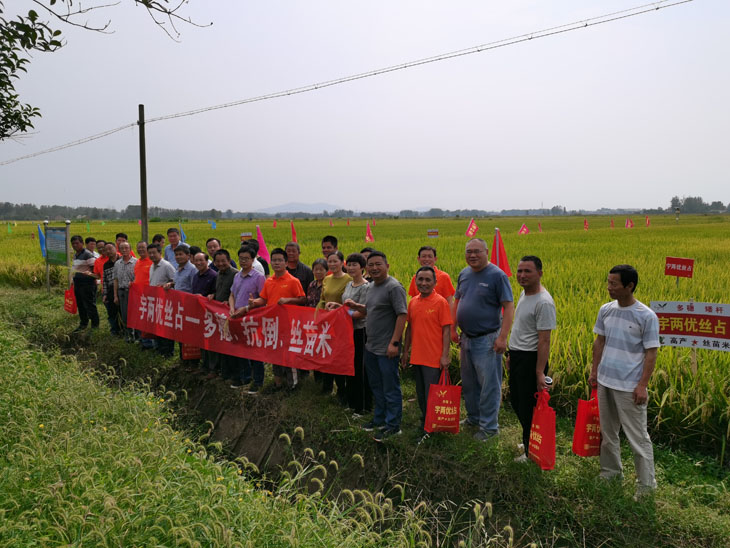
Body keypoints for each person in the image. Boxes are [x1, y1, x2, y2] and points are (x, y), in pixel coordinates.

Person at [589, 264, 659, 498]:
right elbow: (599, 342)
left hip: (629, 387)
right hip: (605, 381)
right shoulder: (606, 310)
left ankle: (646, 485)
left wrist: (642, 385)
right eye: (608, 282)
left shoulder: (646, 316)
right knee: (608, 433)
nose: (609, 287)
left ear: (629, 286)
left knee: (637, 437)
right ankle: (610, 472)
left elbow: (651, 353)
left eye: (614, 284)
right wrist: (594, 371)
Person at [452, 238, 514, 442]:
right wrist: (453, 327)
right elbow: (457, 300)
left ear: (486, 252)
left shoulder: (497, 275)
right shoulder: (464, 273)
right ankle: (474, 418)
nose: (472, 255)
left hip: (487, 339)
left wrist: (503, 337)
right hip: (466, 338)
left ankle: (489, 428)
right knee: (469, 382)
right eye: (469, 251)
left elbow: (508, 307)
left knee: (489, 385)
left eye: (477, 251)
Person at [345, 251, 407, 442]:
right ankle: (379, 418)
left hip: (387, 348)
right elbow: (370, 310)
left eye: (378, 264)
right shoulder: (371, 286)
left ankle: (393, 425)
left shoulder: (394, 287)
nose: (374, 268)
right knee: (376, 385)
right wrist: (356, 306)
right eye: (371, 265)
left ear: (387, 266)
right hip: (371, 346)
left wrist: (394, 343)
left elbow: (402, 315)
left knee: (390, 387)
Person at [507, 256, 556, 462]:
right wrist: (511, 354)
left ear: (540, 273)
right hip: (518, 355)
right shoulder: (524, 293)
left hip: (531, 359)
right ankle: (530, 438)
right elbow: (520, 328)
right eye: (519, 271)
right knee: (517, 401)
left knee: (528, 406)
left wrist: (539, 372)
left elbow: (544, 340)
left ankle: (531, 452)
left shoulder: (544, 302)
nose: (522, 275)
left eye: (528, 271)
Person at [401, 266, 452, 438]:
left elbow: (446, 330)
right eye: (420, 279)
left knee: (432, 395)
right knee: (421, 393)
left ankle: (432, 428)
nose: (423, 283)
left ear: (435, 282)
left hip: (433, 358)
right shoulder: (413, 302)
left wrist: (445, 356)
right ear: (415, 281)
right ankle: (425, 422)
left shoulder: (440, 302)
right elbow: (409, 328)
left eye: (428, 280)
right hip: (417, 356)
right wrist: (405, 352)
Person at [247, 247, 306, 390]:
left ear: (286, 263)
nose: (276, 263)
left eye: (280, 260)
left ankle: (293, 385)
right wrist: (254, 302)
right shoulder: (269, 281)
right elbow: (264, 299)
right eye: (274, 260)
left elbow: (302, 299)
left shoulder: (293, 281)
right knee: (275, 353)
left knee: (289, 354)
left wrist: (288, 300)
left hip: (289, 324)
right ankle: (278, 383)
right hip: (273, 324)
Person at [326, 253, 370, 414]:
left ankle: (363, 407)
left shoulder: (366, 287)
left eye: (354, 265)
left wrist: (343, 312)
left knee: (359, 368)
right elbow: (347, 308)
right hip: (347, 331)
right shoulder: (349, 285)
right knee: (349, 366)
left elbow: (362, 313)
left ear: (362, 267)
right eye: (349, 265)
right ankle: (352, 403)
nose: (351, 268)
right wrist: (337, 306)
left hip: (360, 331)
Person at [228, 246, 266, 392]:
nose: (243, 261)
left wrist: (247, 307)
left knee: (255, 350)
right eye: (241, 258)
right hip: (237, 317)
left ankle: (258, 381)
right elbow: (232, 295)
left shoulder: (259, 277)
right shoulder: (237, 276)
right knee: (240, 349)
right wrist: (232, 308)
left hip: (251, 318)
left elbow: (263, 299)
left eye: (246, 259)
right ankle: (245, 377)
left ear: (252, 259)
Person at [317, 251, 352, 399]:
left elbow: (349, 303)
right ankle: (327, 387)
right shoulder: (326, 279)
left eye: (335, 261)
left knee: (339, 356)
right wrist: (319, 315)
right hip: (327, 323)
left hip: (342, 324)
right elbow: (322, 299)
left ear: (342, 263)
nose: (332, 264)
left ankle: (342, 390)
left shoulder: (349, 280)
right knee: (327, 354)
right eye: (329, 261)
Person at [205, 249, 238, 380]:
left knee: (228, 346)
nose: (220, 264)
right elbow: (219, 291)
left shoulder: (235, 275)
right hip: (218, 315)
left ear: (229, 260)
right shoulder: (218, 274)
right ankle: (218, 371)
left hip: (230, 314)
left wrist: (229, 303)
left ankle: (229, 374)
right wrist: (213, 295)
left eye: (223, 261)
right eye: (217, 261)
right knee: (217, 343)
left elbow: (236, 294)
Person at [147, 243, 176, 357]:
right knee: (158, 327)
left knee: (166, 328)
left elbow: (175, 280)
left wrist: (168, 284)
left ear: (160, 253)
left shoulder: (166, 265)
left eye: (154, 253)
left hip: (165, 303)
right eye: (150, 253)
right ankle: (159, 350)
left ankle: (168, 352)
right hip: (155, 302)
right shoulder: (151, 266)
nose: (152, 255)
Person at [70, 234, 99, 332]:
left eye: (77, 243)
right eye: (73, 244)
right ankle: (83, 323)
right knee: (80, 305)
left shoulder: (87, 254)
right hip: (78, 283)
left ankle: (95, 326)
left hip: (87, 284)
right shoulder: (76, 255)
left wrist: (89, 275)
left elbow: (94, 270)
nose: (75, 245)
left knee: (90, 305)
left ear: (82, 243)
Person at [113, 241, 137, 342]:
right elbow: (115, 280)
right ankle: (128, 335)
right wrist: (115, 295)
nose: (124, 250)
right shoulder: (117, 263)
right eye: (122, 248)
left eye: (126, 248)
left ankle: (137, 336)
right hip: (121, 292)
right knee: (124, 315)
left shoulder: (136, 262)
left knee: (134, 314)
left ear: (130, 249)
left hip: (133, 292)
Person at [133, 241, 153, 347]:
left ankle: (149, 343)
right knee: (140, 319)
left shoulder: (152, 261)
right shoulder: (138, 262)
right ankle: (143, 340)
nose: (140, 249)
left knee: (148, 321)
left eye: (143, 247)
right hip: (138, 296)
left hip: (149, 297)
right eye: (139, 247)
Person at [101, 243, 121, 335]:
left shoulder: (122, 261)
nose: (108, 251)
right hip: (110, 290)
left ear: (115, 248)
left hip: (122, 289)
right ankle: (115, 330)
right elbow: (105, 280)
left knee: (123, 312)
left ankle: (125, 331)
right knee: (112, 312)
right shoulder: (106, 265)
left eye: (110, 249)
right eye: (106, 250)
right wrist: (105, 294)